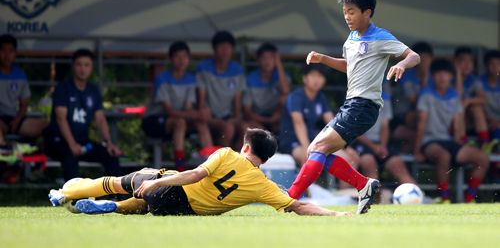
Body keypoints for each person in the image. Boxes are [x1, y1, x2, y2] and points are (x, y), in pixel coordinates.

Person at [286, 0, 420, 215]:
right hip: (352, 105)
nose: (347, 17)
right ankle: (363, 185)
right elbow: (349, 66)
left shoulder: (380, 37)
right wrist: (322, 58)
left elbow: (413, 55)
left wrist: (400, 64)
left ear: (367, 13)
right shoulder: (351, 38)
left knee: (317, 148)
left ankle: (289, 198)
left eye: (352, 11)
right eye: (345, 12)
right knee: (315, 152)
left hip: (363, 106)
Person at [48, 128, 353, 217]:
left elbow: (194, 175)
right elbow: (298, 206)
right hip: (183, 210)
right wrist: (336, 214)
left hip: (174, 190)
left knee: (118, 181)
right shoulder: (264, 185)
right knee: (144, 204)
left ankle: (63, 193)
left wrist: (162, 180)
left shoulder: (225, 153)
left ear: (245, 148)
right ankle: (112, 207)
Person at [414, 59, 489, 203]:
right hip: (429, 142)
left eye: (446, 73)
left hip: (448, 141)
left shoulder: (454, 95)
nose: (442, 77)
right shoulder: (426, 94)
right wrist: (417, 151)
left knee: (483, 158)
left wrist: (459, 144)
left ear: (451, 77)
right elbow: (421, 124)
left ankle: (468, 200)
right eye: (438, 73)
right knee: (444, 156)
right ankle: (445, 200)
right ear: (433, 76)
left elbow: (458, 124)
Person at [43, 49, 121, 181]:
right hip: (57, 141)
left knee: (111, 155)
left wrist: (109, 143)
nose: (83, 69)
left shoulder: (93, 90)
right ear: (73, 66)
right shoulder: (63, 88)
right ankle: (72, 199)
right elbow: (61, 119)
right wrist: (72, 144)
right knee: (70, 155)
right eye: (79, 64)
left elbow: (100, 119)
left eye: (87, 65)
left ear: (91, 68)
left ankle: (113, 198)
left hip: (82, 142)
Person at [279, 64, 359, 190]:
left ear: (324, 80)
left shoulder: (321, 97)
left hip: (312, 141)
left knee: (349, 157)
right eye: (313, 76)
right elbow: (298, 124)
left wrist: (345, 146)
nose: (316, 79)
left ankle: (345, 195)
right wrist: (308, 150)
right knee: (307, 159)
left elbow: (333, 123)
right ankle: (306, 197)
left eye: (320, 76)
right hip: (292, 141)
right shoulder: (296, 96)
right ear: (305, 79)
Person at [142, 41, 217, 171]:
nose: (181, 60)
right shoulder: (162, 78)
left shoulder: (191, 79)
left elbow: (188, 108)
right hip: (155, 120)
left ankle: (211, 165)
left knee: (201, 122)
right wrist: (195, 114)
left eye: (184, 56)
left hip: (178, 120)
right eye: (177, 56)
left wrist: (198, 115)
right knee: (180, 122)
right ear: (171, 59)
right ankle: (180, 167)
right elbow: (169, 111)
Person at [196, 31, 249, 150]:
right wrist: (202, 116)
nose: (225, 50)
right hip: (211, 117)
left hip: (229, 117)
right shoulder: (203, 67)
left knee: (247, 130)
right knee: (228, 129)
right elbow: (201, 99)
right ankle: (221, 165)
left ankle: (235, 162)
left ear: (233, 49)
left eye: (228, 47)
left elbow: (237, 101)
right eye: (221, 47)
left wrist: (237, 121)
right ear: (214, 49)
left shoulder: (238, 69)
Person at [350, 90, 416, 186]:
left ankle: (419, 197)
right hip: (361, 143)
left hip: (381, 144)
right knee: (369, 164)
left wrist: (382, 146)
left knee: (398, 164)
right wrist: (373, 147)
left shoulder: (385, 96)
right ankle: (374, 199)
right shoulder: (354, 96)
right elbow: (353, 129)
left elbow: (385, 126)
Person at [0, 34, 47, 145]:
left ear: (15, 53)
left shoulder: (20, 75)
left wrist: (16, 121)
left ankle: (38, 153)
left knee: (49, 128)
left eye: (10, 51)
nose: (7, 55)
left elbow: (24, 104)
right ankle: (5, 152)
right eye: (3, 51)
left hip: (14, 118)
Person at [392, 41, 434, 153]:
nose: (424, 61)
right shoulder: (406, 76)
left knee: (421, 140)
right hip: (401, 119)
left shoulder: (435, 76)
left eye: (427, 58)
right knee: (422, 139)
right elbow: (419, 103)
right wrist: (425, 77)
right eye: (421, 58)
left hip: (422, 122)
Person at [243, 42, 290, 133]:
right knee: (253, 130)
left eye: (271, 57)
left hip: (276, 116)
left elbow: (286, 92)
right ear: (258, 60)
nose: (267, 61)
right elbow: (247, 113)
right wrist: (270, 120)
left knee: (285, 98)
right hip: (257, 118)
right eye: (264, 57)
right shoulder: (250, 79)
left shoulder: (282, 76)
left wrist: (279, 65)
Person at [454, 46, 490, 150]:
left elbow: (483, 100)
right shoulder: (448, 77)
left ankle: (485, 146)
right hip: (451, 121)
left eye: (470, 61)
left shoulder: (474, 79)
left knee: (476, 107)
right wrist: (458, 74)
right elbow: (457, 99)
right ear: (456, 62)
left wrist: (468, 100)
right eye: (463, 61)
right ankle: (463, 144)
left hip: (467, 121)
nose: (467, 65)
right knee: (459, 108)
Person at [480, 50, 500, 149]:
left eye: (498, 64)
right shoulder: (479, 82)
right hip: (485, 122)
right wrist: (493, 120)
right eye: (492, 64)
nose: (496, 68)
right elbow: (478, 108)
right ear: (486, 66)